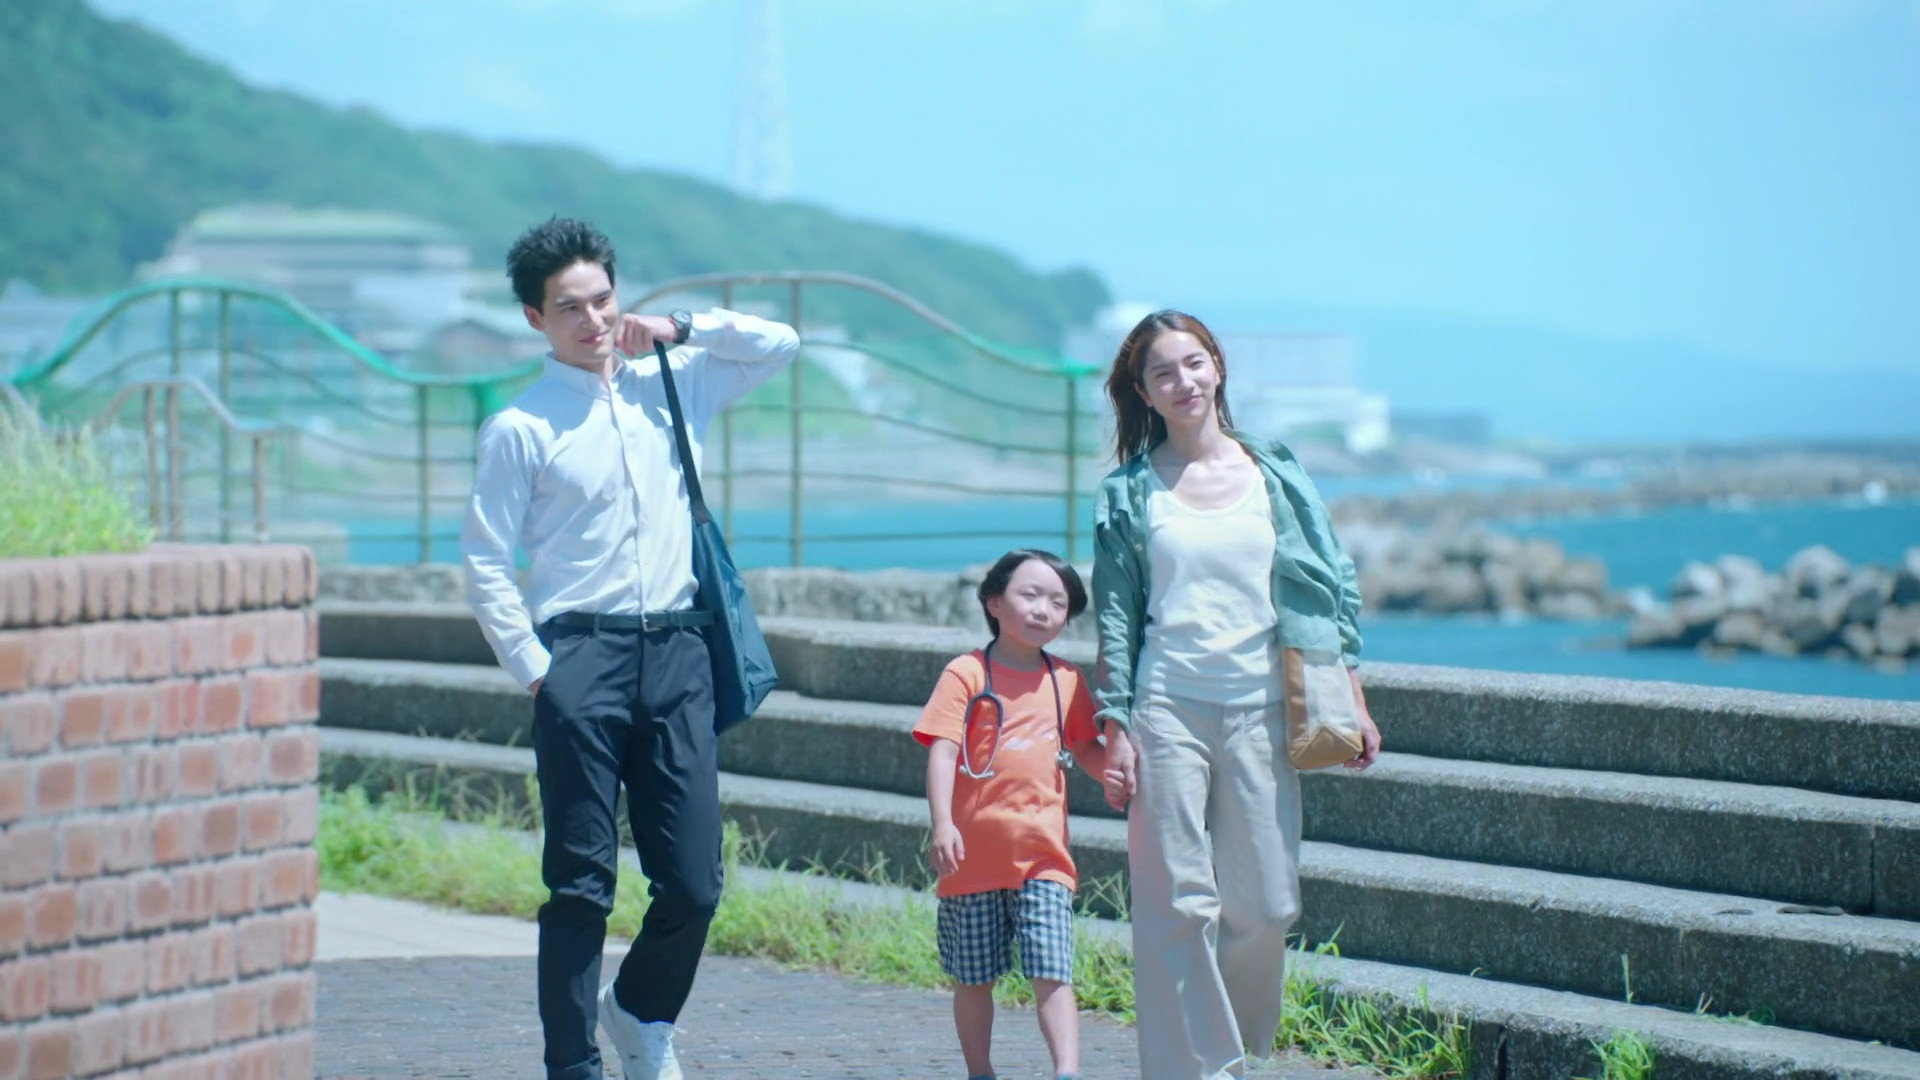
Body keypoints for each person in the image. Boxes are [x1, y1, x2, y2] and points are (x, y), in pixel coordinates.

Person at [460, 216, 799, 1080]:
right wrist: (537, 670)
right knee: (580, 883)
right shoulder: (521, 426)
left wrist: (683, 326)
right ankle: (572, 1065)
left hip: (680, 653)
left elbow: (781, 344)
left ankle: (641, 1010)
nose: (593, 320)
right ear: (535, 319)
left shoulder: (673, 383)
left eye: (603, 299)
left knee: (695, 882)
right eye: (569, 308)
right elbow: (485, 560)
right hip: (580, 657)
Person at [1090, 310, 1381, 1080]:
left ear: (1217, 366)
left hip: (1263, 709)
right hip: (1166, 709)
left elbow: (1329, 584)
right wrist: (1115, 725)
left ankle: (1240, 1051)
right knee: (1178, 904)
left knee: (1267, 905)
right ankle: (1199, 1070)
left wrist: (1351, 694)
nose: (1182, 382)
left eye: (1193, 363)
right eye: (1162, 373)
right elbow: (1116, 615)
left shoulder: (1273, 472)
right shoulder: (1128, 493)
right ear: (1144, 393)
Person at [913, 549, 1118, 1080]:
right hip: (972, 860)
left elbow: (1085, 745)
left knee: (1052, 969)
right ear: (994, 602)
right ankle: (980, 1071)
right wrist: (943, 823)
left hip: (1044, 857)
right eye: (1030, 595)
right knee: (973, 978)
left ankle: (1067, 1071)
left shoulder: (1065, 679)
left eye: (1059, 602)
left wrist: (1115, 775)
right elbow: (942, 749)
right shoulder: (966, 673)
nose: (1043, 609)